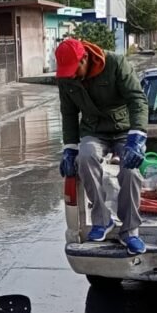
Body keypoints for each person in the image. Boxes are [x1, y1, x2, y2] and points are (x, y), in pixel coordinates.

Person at [56, 37, 149, 255]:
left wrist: (137, 138)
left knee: (131, 170)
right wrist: (69, 149)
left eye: (74, 69)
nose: (72, 76)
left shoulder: (116, 63)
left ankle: (130, 231)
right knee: (85, 157)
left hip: (124, 129)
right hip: (93, 131)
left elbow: (137, 100)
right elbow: (68, 113)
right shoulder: (66, 78)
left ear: (85, 58)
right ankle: (102, 219)